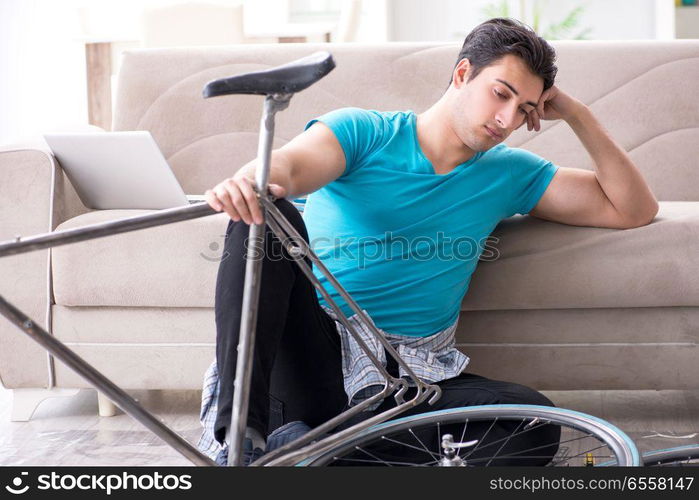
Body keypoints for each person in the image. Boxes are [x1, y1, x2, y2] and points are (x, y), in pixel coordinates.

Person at [198, 18, 659, 466]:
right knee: (263, 212)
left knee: (534, 423)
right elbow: (288, 168)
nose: (506, 118)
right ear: (463, 73)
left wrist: (579, 115)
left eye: (523, 108)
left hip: (406, 377)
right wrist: (248, 182)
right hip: (309, 361)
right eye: (501, 93)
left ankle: (317, 454)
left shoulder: (509, 172)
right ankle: (239, 443)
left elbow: (632, 209)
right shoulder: (363, 133)